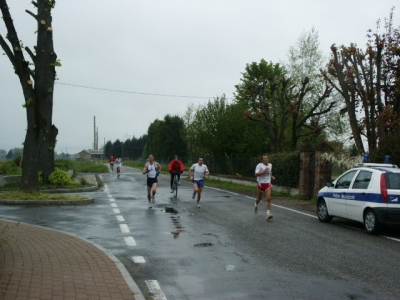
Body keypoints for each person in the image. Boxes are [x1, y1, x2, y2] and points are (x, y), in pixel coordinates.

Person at [254, 154, 275, 220]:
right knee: (259, 199)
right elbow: (256, 174)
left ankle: (268, 214)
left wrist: (272, 176)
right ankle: (256, 204)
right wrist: (264, 171)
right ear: (262, 160)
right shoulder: (259, 165)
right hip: (260, 184)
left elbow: (270, 171)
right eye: (264, 158)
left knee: (269, 198)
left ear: (268, 159)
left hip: (268, 184)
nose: (265, 159)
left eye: (266, 158)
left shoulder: (270, 165)